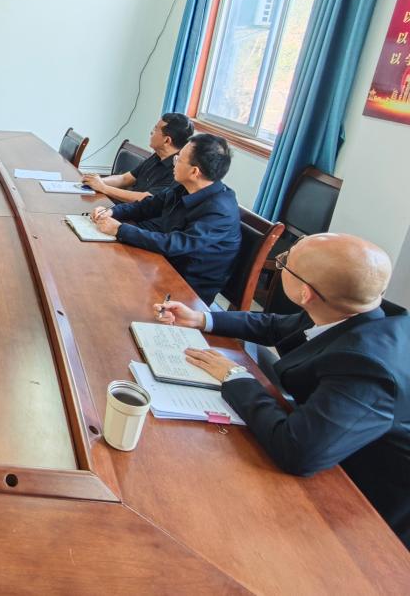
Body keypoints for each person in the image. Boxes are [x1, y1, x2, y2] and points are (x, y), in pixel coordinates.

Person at [155, 233, 410, 549]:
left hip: (366, 503)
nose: (281, 261)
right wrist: (201, 319)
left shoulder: (367, 367)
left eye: (285, 261)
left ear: (306, 293)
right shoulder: (355, 309)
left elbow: (299, 452)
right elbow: (275, 325)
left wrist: (234, 376)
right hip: (332, 440)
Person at [91, 133, 240, 305]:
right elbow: (147, 206)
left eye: (179, 159)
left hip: (186, 288)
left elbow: (174, 244)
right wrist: (112, 211)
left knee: (108, 290)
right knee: (100, 269)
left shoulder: (220, 211)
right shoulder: (184, 186)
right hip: (161, 262)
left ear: (194, 172)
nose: (173, 163)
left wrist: (119, 229)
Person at [81, 113, 193, 203]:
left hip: (140, 219)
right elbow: (125, 179)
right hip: (126, 209)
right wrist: (97, 182)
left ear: (167, 140)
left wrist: (103, 188)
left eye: (155, 129)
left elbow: (146, 198)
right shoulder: (157, 156)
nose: (151, 132)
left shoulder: (177, 170)